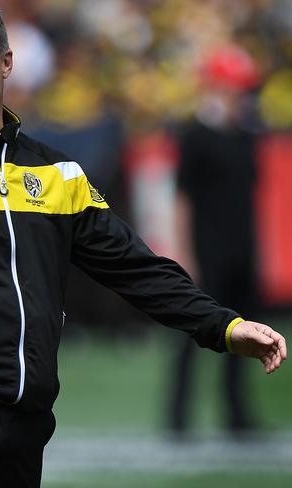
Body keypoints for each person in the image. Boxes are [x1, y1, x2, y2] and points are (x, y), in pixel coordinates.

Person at [0, 2, 286, 486]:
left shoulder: (56, 173)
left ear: (6, 64)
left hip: (24, 433)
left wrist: (222, 326)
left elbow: (135, 268)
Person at [168, 44, 264, 437]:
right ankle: (177, 416)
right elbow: (182, 199)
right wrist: (185, 254)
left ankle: (237, 415)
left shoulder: (245, 137)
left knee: (246, 337)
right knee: (195, 334)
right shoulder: (196, 137)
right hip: (208, 252)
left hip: (242, 249)